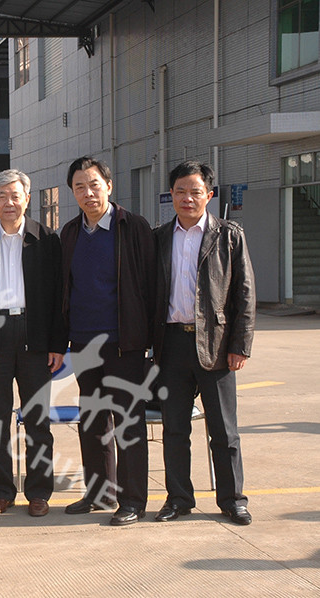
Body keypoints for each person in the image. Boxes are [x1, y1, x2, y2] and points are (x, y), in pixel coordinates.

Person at [153, 161, 256, 525]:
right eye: (180, 191)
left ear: (209, 195)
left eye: (195, 192)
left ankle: (232, 499)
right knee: (174, 429)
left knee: (224, 430)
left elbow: (245, 293)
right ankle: (179, 499)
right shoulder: (158, 237)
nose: (187, 198)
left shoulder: (229, 235)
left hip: (216, 345)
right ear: (171, 195)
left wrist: (240, 345)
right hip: (171, 346)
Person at [61, 156, 156, 526]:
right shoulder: (70, 232)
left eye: (94, 185)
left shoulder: (133, 227)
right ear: (73, 192)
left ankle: (133, 500)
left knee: (128, 423)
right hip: (84, 343)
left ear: (109, 186)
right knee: (93, 422)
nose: (88, 193)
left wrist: (149, 340)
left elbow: (151, 284)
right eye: (80, 187)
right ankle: (100, 494)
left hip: (124, 343)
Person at [0, 170, 66, 517]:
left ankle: (39, 492)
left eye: (15, 195)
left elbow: (59, 296)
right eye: (1, 196)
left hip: (34, 335)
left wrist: (57, 343)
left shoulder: (47, 240)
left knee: (37, 420)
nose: (8, 202)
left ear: (27, 198)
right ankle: (1, 492)